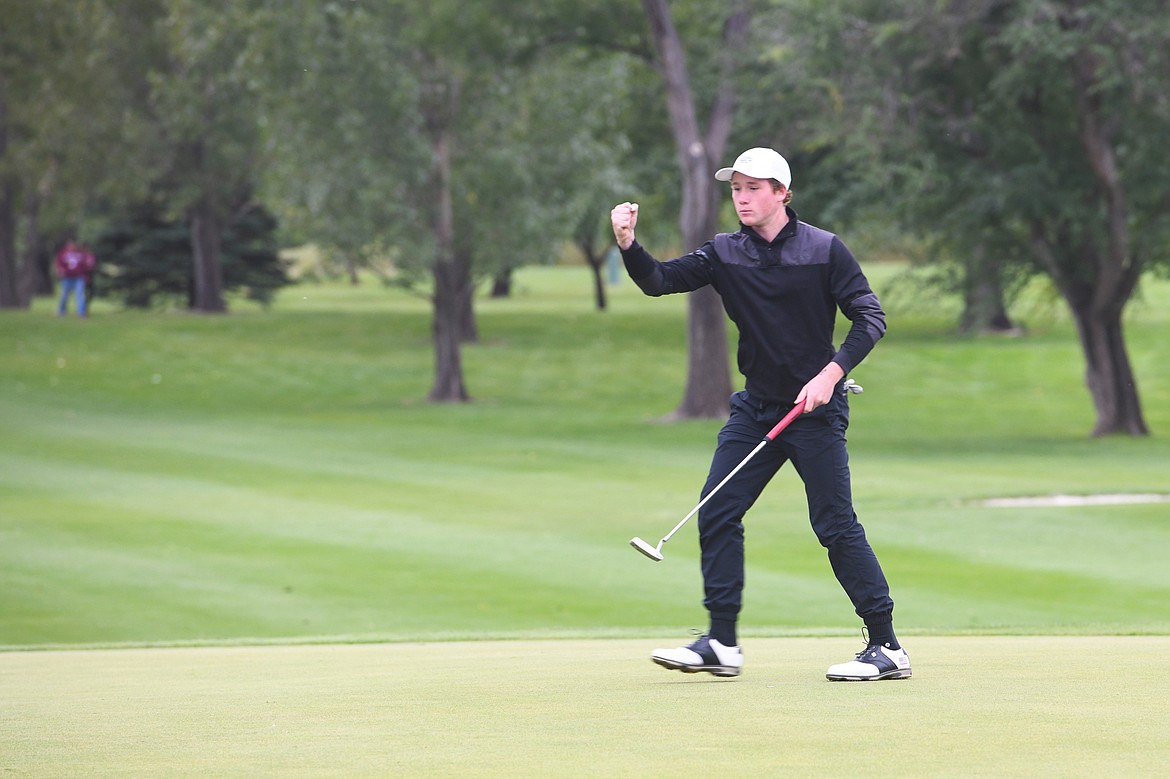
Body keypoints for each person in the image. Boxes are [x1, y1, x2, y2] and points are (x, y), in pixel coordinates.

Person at [610, 147, 910, 682]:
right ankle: (722, 643)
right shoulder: (725, 252)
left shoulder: (824, 250)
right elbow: (659, 281)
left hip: (814, 413)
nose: (742, 198)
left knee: (834, 525)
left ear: (782, 194)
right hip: (757, 409)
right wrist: (629, 245)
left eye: (753, 188)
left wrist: (831, 373)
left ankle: (887, 647)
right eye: (736, 189)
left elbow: (869, 316)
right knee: (717, 510)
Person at [55, 239, 95, 318]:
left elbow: (86, 264)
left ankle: (81, 313)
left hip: (78, 277)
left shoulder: (80, 254)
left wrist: (86, 273)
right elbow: (58, 263)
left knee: (80, 294)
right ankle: (61, 310)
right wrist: (59, 271)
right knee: (64, 295)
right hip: (67, 277)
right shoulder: (63, 253)